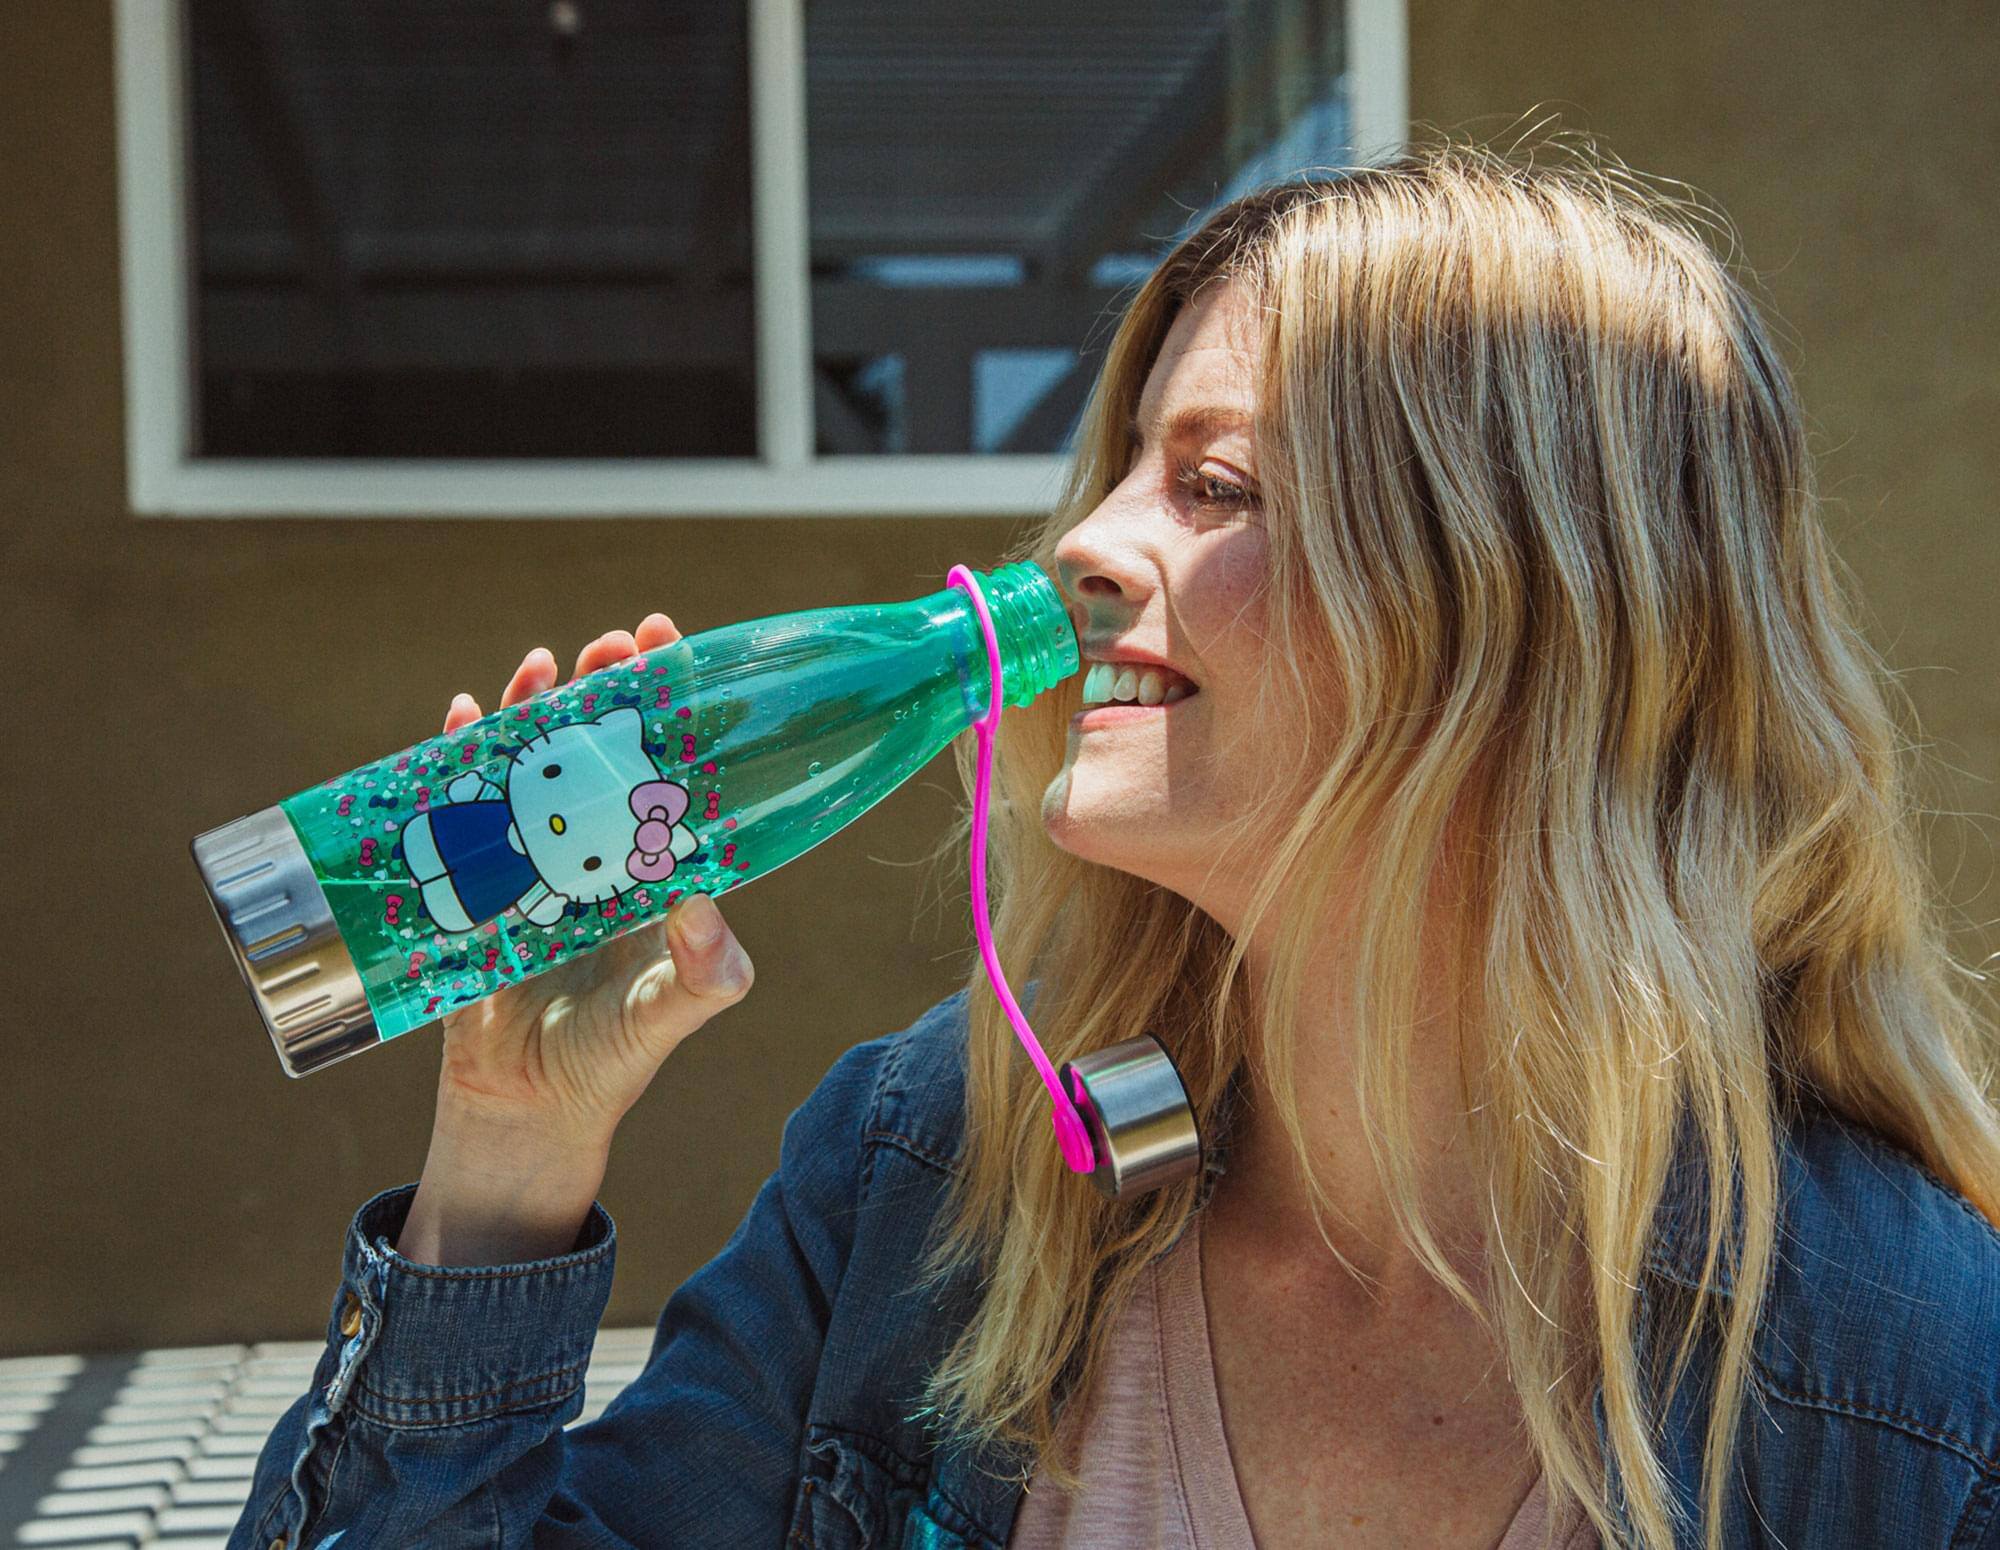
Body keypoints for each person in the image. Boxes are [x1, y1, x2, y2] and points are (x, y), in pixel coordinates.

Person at [228, 137, 2000, 1550]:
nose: (1083, 542)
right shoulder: (931, 1168)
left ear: (1518, 618)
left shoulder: (1911, 1369)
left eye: (1213, 485)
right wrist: (507, 1156)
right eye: (1127, 465)